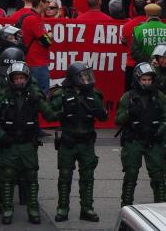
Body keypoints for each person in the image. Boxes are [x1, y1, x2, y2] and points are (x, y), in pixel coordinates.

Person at [0, 61, 53, 225]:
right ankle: (8, 209)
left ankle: (33, 209)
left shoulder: (34, 95)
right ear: (11, 79)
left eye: (21, 78)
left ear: (27, 78)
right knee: (7, 178)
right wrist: (2, 135)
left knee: (31, 178)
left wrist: (60, 101)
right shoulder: (2, 96)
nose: (19, 81)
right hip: (9, 145)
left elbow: (50, 114)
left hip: (28, 145)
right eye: (15, 78)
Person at [47, 63, 107, 222]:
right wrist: (63, 110)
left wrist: (95, 107)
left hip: (87, 141)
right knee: (65, 176)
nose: (86, 79)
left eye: (87, 75)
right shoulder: (61, 93)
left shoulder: (94, 93)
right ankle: (63, 208)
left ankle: (87, 208)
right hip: (68, 141)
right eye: (82, 76)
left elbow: (104, 116)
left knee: (88, 176)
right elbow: (50, 115)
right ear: (73, 78)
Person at [115, 62, 166, 206]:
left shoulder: (160, 96)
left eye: (149, 80)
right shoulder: (128, 97)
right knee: (131, 175)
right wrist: (129, 112)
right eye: (143, 80)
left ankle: (161, 206)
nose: (146, 83)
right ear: (137, 79)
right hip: (134, 140)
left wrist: (160, 130)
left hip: (153, 140)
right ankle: (126, 205)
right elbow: (118, 120)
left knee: (158, 175)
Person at [13, 0, 53, 94]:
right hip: (36, 63)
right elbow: (47, 41)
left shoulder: (35, 17)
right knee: (41, 94)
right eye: (48, 1)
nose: (50, 3)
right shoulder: (32, 19)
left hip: (37, 62)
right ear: (41, 3)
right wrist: (49, 35)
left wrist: (46, 35)